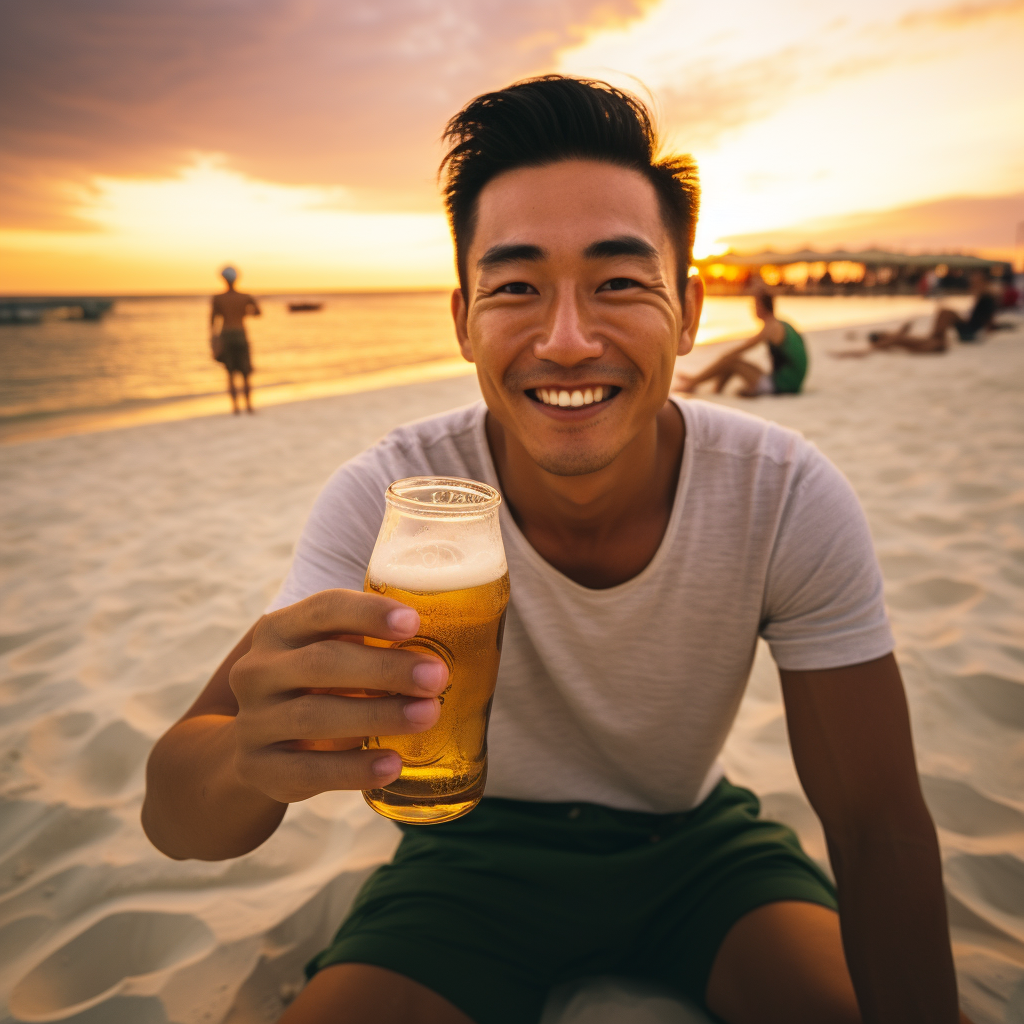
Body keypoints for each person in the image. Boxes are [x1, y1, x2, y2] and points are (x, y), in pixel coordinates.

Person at [143, 76, 971, 1024]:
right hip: (467, 858)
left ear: (692, 311)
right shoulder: (393, 496)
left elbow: (877, 828)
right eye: (516, 288)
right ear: (463, 320)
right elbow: (174, 817)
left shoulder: (779, 491)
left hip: (695, 847)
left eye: (619, 281)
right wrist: (254, 758)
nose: (568, 340)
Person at [673, 291, 807, 397]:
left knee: (732, 361)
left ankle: (693, 383)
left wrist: (725, 357)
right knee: (732, 360)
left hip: (782, 386)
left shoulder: (771, 327)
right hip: (789, 383)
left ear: (762, 306)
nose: (753, 309)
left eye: (754, 305)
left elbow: (743, 348)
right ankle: (711, 388)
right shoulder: (782, 324)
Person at [861, 271, 996, 354]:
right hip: (969, 331)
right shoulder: (984, 297)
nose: (972, 284)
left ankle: (935, 336)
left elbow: (987, 321)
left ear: (984, 282)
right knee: (944, 311)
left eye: (976, 282)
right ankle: (935, 336)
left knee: (945, 311)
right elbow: (984, 320)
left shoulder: (986, 297)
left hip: (971, 333)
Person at [210, 265, 260, 414]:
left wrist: (213, 340)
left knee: (230, 373)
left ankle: (236, 408)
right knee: (245, 373)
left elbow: (212, 320)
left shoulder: (218, 298)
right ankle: (249, 406)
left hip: (226, 335)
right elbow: (257, 312)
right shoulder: (245, 297)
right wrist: (244, 312)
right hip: (240, 333)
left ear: (224, 279)